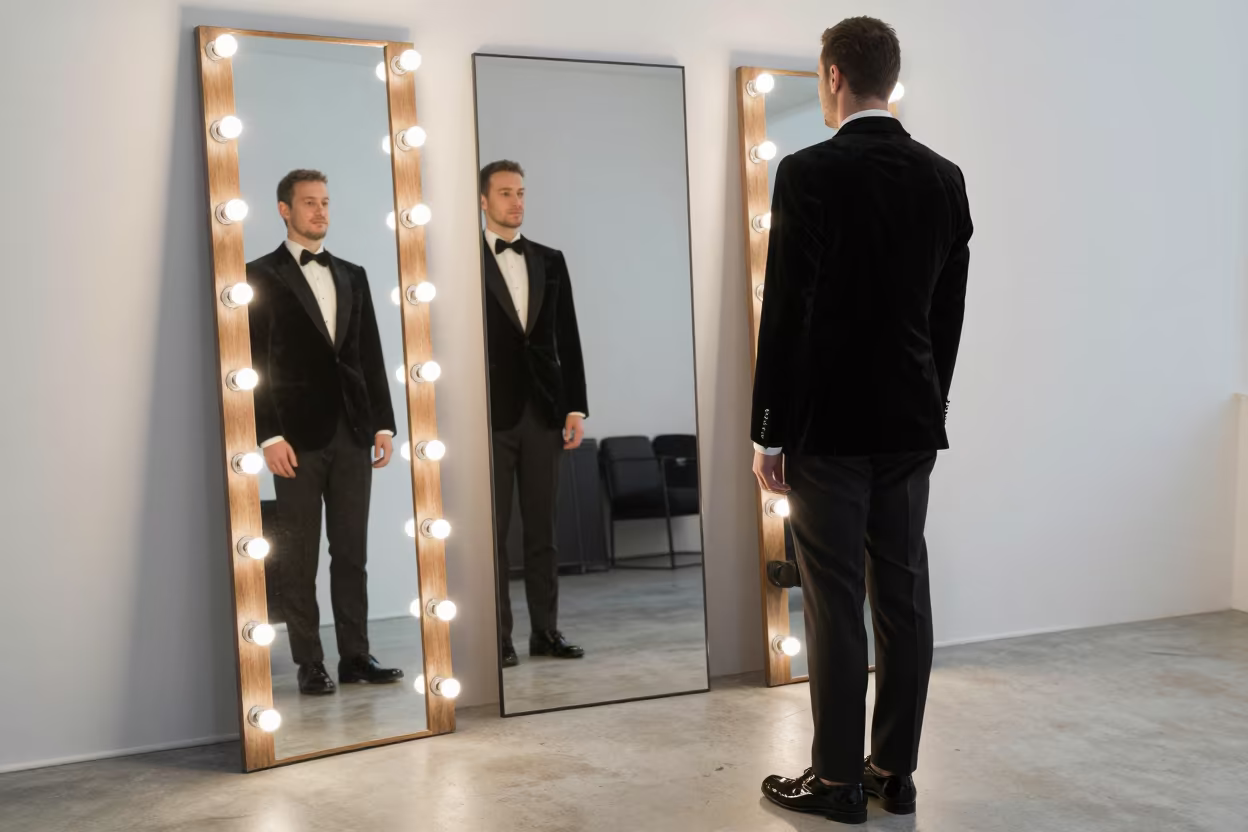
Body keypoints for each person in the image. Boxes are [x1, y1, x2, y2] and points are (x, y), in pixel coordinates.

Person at [751, 18, 973, 824]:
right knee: (904, 595)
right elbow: (946, 317)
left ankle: (838, 780)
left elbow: (785, 313)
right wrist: (927, 401)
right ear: (891, 76)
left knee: (836, 599)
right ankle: (895, 773)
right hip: (911, 422)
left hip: (827, 425)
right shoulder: (944, 178)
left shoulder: (807, 173)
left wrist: (768, 429)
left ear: (835, 75)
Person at [247, 169, 405, 696]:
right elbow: (253, 360)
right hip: (295, 438)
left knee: (351, 552)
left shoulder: (353, 274)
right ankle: (309, 662)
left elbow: (368, 355)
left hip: (354, 432)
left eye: (326, 203)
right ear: (283, 210)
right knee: (300, 555)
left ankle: (355, 656)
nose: (320, 212)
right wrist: (268, 436)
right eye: (309, 203)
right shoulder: (258, 275)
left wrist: (383, 422)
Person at [479, 160, 589, 668]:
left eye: (521, 192)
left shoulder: (550, 259)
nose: (516, 202)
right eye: (505, 193)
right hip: (489, 414)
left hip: (545, 412)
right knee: (494, 533)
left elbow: (567, 336)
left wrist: (574, 406)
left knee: (543, 531)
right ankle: (497, 637)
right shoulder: (466, 260)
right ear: (484, 200)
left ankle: (546, 631)